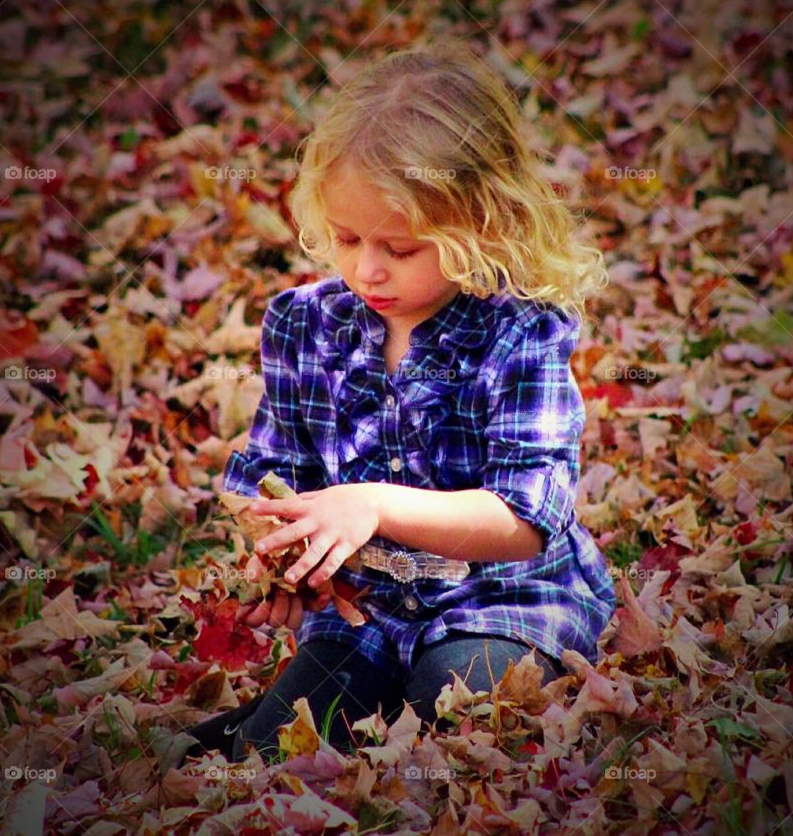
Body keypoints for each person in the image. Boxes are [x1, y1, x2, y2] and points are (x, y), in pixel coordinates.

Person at [184, 39, 616, 765]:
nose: (367, 267)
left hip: (503, 596)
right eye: (347, 238)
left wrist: (374, 505)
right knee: (275, 750)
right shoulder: (303, 324)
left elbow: (526, 517)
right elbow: (263, 472)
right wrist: (291, 561)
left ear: (481, 221)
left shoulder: (520, 331)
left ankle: (427, 699)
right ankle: (256, 724)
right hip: (365, 609)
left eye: (402, 247)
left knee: (455, 709)